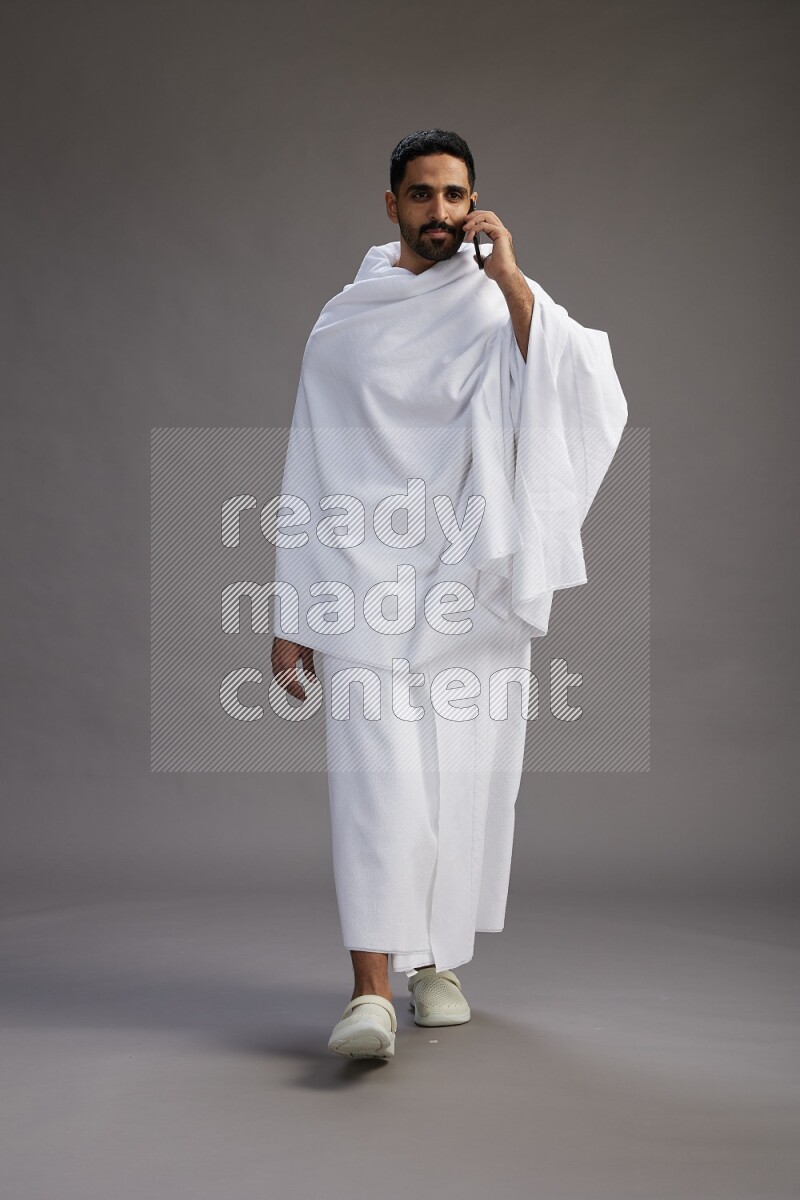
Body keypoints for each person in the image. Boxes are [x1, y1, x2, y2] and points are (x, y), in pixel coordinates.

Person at [270, 129, 628, 1059]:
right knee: (375, 784)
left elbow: (582, 385)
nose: (440, 213)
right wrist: (291, 613)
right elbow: (309, 461)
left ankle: (436, 964)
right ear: (390, 204)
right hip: (360, 580)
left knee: (461, 780)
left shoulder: (499, 301)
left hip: (470, 578)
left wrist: (510, 276)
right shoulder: (346, 319)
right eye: (422, 195)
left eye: (456, 196)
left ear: (476, 204)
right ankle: (371, 993)